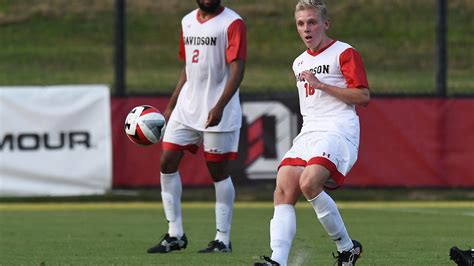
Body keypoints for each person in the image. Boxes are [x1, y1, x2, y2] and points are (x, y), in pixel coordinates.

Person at [254, 0, 370, 265]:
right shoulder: (299, 62)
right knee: (283, 187)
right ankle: (278, 261)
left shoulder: (344, 52)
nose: (307, 28)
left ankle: (345, 248)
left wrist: (322, 85)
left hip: (339, 130)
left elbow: (363, 96)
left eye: (312, 22)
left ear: (325, 24)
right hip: (309, 133)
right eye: (301, 23)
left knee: (309, 183)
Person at [147, 0, 246, 254]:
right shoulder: (187, 21)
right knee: (167, 161)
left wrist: (221, 105)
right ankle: (175, 234)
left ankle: (222, 239)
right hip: (186, 107)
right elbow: (187, 68)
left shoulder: (232, 23)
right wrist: (171, 104)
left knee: (218, 170)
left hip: (218, 108)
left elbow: (238, 68)